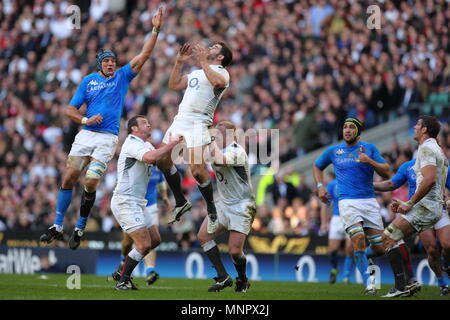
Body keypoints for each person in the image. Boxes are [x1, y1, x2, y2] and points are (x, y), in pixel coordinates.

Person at [39, 8, 165, 249]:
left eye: (113, 61)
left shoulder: (122, 77)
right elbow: (69, 109)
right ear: (100, 64)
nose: (111, 64)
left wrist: (155, 29)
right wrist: (85, 120)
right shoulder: (88, 81)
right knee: (68, 178)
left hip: (107, 138)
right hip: (86, 135)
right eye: (107, 61)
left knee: (91, 182)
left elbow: (144, 54)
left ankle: (80, 227)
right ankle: (57, 226)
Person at [313, 117, 415, 296]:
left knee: (379, 248)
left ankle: (362, 257)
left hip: (369, 202)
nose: (347, 130)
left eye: (351, 127)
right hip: (347, 202)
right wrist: (320, 186)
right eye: (345, 127)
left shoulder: (370, 148)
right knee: (358, 239)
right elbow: (317, 165)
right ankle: (369, 284)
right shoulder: (334, 151)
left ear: (358, 131)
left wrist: (370, 161)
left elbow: (387, 171)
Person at [156, 41, 233, 235]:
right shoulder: (197, 73)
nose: (209, 47)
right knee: (162, 161)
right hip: (181, 119)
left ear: (221, 57)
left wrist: (202, 62)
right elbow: (174, 84)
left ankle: (212, 211)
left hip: (199, 121)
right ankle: (181, 201)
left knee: (197, 171)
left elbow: (217, 83)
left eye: (215, 47)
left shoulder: (222, 73)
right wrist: (179, 62)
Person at [378, 115, 449, 296]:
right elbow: (425, 181)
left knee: (388, 237)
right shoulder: (436, 149)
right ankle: (408, 283)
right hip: (431, 207)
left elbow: (430, 180)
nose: (414, 127)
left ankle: (404, 285)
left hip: (427, 207)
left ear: (424, 129)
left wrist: (409, 203)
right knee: (398, 239)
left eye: (417, 124)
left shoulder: (426, 149)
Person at [110, 115, 182, 290]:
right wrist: (172, 144)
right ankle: (123, 280)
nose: (149, 124)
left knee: (155, 239)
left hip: (139, 202)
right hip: (125, 201)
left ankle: (123, 269)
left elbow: (159, 159)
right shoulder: (131, 144)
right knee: (143, 244)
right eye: (144, 123)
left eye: (149, 122)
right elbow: (150, 158)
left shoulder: (146, 145)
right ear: (134, 128)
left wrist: (178, 147)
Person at [196, 121, 256, 292]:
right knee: (203, 236)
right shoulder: (216, 149)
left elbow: (219, 161)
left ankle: (243, 279)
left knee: (235, 251)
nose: (217, 134)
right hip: (223, 203)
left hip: (242, 205)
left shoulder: (237, 151)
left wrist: (209, 138)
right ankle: (223, 277)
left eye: (221, 132)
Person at [111, 167, 170, 285]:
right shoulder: (132, 163)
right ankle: (123, 262)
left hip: (150, 205)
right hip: (132, 205)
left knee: (153, 239)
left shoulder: (157, 165)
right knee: (128, 241)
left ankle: (150, 270)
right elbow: (119, 184)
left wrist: (164, 196)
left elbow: (161, 181)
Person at [321, 171, 355, 285]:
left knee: (349, 248)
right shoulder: (331, 185)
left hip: (349, 217)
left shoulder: (352, 181)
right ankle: (335, 268)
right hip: (336, 218)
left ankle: (346, 277)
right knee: (333, 249)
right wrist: (324, 222)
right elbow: (325, 203)